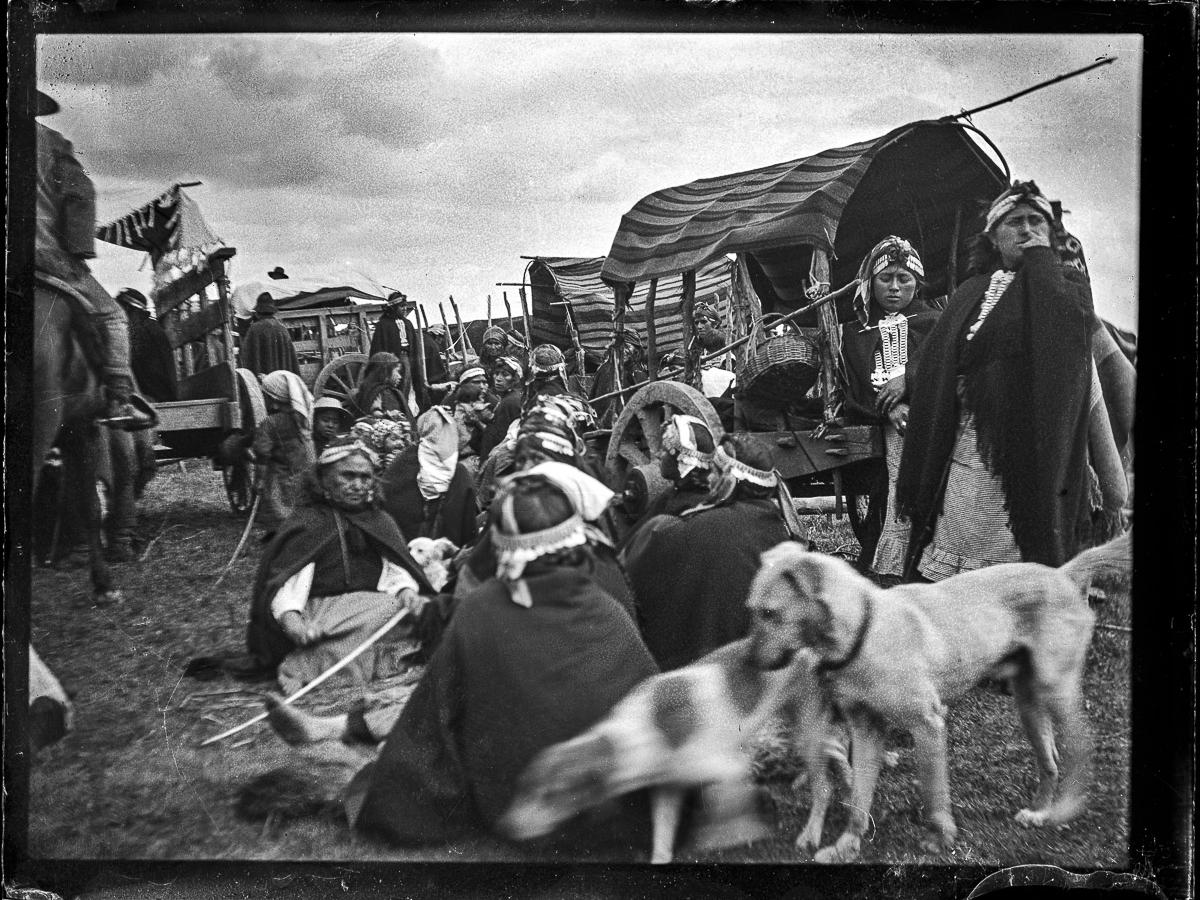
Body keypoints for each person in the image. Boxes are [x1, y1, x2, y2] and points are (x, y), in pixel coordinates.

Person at [267, 472, 658, 851]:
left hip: (522, 807)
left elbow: (431, 718)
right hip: (615, 808)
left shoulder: (484, 609)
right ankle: (336, 728)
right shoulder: (605, 608)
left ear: (505, 546)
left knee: (434, 709)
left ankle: (338, 729)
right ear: (573, 537)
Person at [896, 181, 1126, 582]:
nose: (1027, 230)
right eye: (1014, 222)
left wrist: (1040, 263)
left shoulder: (1068, 294)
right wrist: (908, 383)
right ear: (992, 236)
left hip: (1039, 456)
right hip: (971, 456)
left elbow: (1075, 370)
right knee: (966, 584)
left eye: (1037, 221)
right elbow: (939, 359)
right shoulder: (972, 293)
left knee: (1025, 578)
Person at [246, 437, 435, 695]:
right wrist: (292, 621)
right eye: (348, 476)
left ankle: (335, 659)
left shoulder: (379, 520)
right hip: (319, 611)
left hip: (369, 607)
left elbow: (395, 569)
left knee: (407, 611)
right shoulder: (309, 523)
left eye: (365, 477)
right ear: (323, 480)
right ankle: (308, 663)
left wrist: (408, 593)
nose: (358, 485)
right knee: (386, 614)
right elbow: (289, 583)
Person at [622, 434, 808, 671]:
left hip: (700, 669)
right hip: (763, 667)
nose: (708, 478)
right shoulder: (776, 528)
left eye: (714, 471)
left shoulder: (681, 531)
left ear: (727, 482)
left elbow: (629, 583)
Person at [35, 90, 149, 426]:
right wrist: (77, 249)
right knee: (113, 317)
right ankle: (119, 399)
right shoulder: (51, 143)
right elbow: (80, 195)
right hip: (43, 254)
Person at [839, 237, 942, 579]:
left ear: (917, 282)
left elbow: (945, 369)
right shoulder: (854, 332)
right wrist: (888, 409)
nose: (895, 288)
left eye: (904, 279)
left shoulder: (936, 323)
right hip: (882, 422)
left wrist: (909, 384)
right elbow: (854, 383)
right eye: (885, 279)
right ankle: (895, 560)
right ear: (871, 283)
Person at [380, 402, 480, 547]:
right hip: (442, 553)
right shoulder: (459, 474)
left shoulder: (402, 461)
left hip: (406, 550)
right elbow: (468, 526)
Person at [253, 371, 317, 538]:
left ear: (273, 400)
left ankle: (279, 533)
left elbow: (262, 452)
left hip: (279, 475)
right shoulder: (304, 420)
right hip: (302, 473)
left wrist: (259, 479)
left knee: (277, 503)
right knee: (299, 503)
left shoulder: (270, 423)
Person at [114, 288, 178, 403]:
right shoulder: (146, 326)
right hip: (155, 396)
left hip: (157, 398)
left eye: (121, 308)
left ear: (128, 308)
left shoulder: (142, 329)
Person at [241, 293, 300, 378]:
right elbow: (292, 359)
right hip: (283, 382)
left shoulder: (254, 329)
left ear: (258, 313)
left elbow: (247, 355)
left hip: (262, 380)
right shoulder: (282, 329)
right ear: (273, 312)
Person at [480, 356, 525, 460]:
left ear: (515, 378)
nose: (498, 379)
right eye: (496, 374)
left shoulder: (510, 402)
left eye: (505, 375)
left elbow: (498, 436)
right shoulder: (509, 397)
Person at [352, 352, 414, 424]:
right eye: (397, 371)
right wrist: (388, 415)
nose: (399, 376)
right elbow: (375, 411)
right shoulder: (378, 392)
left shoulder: (374, 390)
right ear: (385, 373)